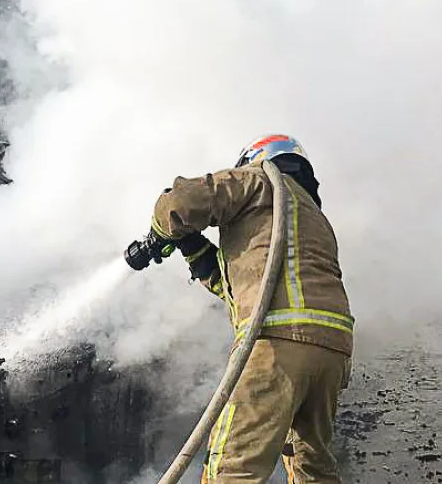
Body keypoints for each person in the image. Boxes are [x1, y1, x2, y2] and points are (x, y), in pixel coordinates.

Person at [146, 134, 354, 484]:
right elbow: (241, 284)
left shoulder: (258, 180)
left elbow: (179, 203)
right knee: (312, 464)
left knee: (234, 466)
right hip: (332, 353)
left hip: (278, 343)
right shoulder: (311, 218)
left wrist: (159, 231)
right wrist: (190, 245)